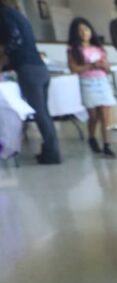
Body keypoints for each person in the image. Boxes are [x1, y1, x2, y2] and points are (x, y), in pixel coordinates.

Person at [0, 0, 60, 163]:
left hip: (27, 68)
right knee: (44, 113)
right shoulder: (19, 15)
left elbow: (14, 38)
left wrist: (5, 56)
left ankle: (52, 154)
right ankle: (50, 149)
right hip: (39, 67)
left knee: (40, 113)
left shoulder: (3, 15)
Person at [66, 18, 116, 158]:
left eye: (86, 29)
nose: (84, 33)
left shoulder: (98, 48)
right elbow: (74, 68)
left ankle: (107, 145)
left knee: (105, 115)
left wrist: (103, 65)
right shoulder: (73, 50)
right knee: (93, 116)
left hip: (102, 81)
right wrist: (91, 66)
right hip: (87, 83)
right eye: (80, 31)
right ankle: (92, 137)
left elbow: (107, 69)